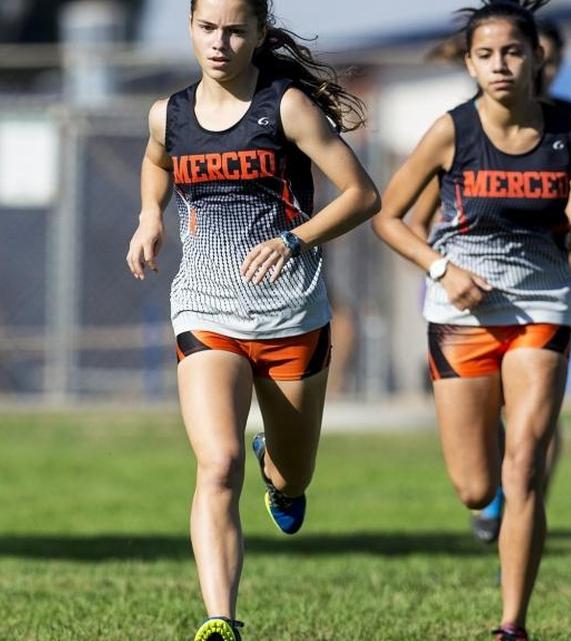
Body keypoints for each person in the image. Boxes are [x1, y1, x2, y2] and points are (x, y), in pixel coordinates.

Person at [370, 1, 571, 638]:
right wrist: (441, 270)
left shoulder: (570, 131)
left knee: (525, 469)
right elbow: (387, 217)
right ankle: (488, 498)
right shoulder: (451, 132)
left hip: (543, 308)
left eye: (513, 52)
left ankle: (512, 624)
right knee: (474, 487)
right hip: (461, 315)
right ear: (469, 63)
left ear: (538, 57)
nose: (501, 65)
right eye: (486, 55)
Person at [124, 1, 381, 638]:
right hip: (205, 310)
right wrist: (150, 216)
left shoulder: (287, 106)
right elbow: (157, 160)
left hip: (291, 313)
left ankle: (282, 475)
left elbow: (362, 195)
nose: (220, 42)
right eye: (208, 28)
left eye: (236, 30)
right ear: (190, 29)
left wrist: (296, 240)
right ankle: (221, 621)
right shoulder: (169, 114)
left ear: (260, 33)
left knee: (293, 479)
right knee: (217, 465)